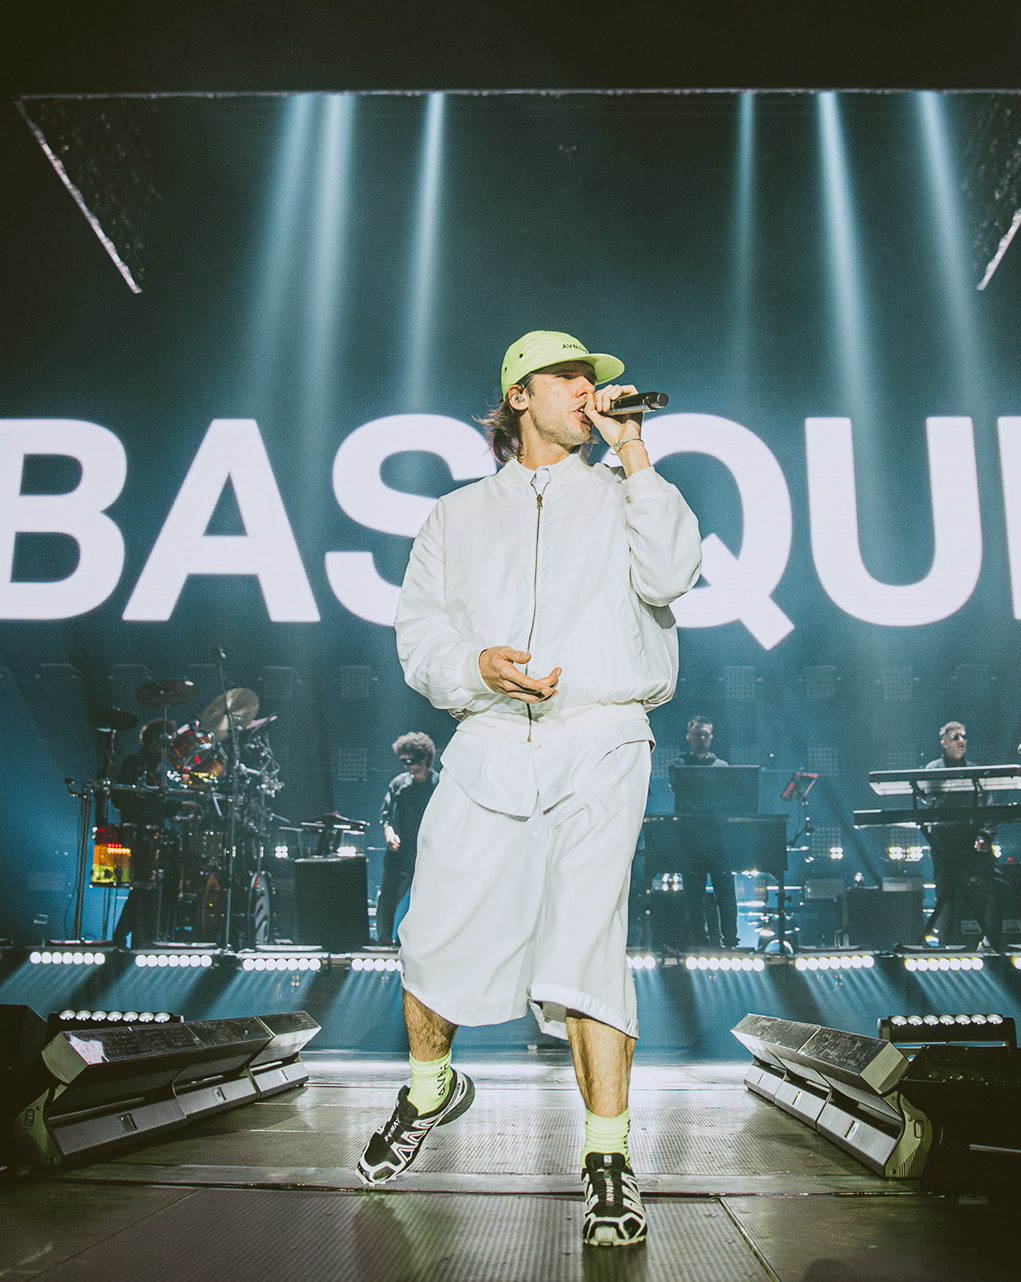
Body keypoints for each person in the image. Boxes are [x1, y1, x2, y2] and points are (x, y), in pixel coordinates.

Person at [359, 330, 702, 1249]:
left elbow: (673, 573)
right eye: (571, 377)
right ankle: (430, 1090)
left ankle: (607, 1158)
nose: (590, 391)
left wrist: (635, 455)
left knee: (588, 939)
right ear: (520, 396)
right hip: (490, 735)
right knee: (431, 934)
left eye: (598, 381)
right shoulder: (456, 516)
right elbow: (420, 640)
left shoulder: (628, 491)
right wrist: (475, 666)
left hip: (602, 733)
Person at [920, 720, 1005, 948]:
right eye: (955, 737)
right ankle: (946, 944)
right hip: (945, 846)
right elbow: (932, 805)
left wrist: (985, 836)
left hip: (973, 844)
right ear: (944, 743)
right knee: (945, 896)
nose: (961, 741)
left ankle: (988, 942)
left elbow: (989, 808)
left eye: (963, 736)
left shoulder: (975, 771)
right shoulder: (933, 769)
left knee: (998, 887)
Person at [109, 719, 180, 948]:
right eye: (167, 743)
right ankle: (129, 937)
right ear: (155, 741)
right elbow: (123, 799)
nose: (170, 749)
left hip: (149, 832)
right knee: (143, 887)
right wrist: (177, 806)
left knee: (147, 887)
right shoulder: (137, 763)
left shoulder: (156, 767)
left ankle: (135, 937)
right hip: (138, 833)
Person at [670, 716, 739, 948]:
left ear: (711, 738)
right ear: (688, 736)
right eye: (696, 734)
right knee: (693, 896)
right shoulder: (678, 764)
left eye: (704, 734)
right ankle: (699, 941)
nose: (700, 738)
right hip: (689, 841)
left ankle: (730, 940)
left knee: (726, 893)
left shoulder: (722, 767)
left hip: (717, 839)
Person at [376, 731, 438, 946]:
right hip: (399, 853)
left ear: (424, 760)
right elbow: (386, 816)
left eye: (410, 762)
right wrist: (389, 834)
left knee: (424, 900)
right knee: (387, 897)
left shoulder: (440, 786)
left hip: (428, 854)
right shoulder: (398, 784)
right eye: (403, 761)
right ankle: (384, 941)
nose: (406, 766)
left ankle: (414, 944)